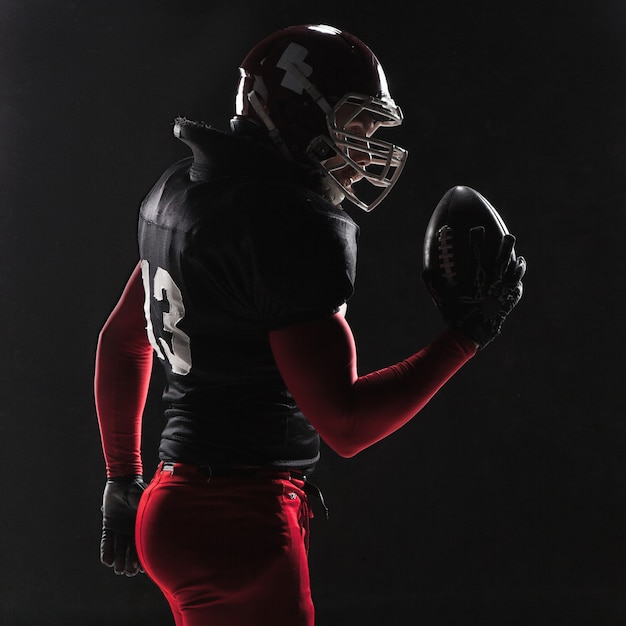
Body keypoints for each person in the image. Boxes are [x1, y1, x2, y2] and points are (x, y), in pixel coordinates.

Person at [95, 24, 525, 626]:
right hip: (239, 521)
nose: (366, 150)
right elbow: (345, 423)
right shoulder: (291, 227)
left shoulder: (177, 191)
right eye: (356, 128)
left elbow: (121, 342)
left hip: (171, 503)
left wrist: (122, 476)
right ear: (297, 113)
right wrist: (465, 336)